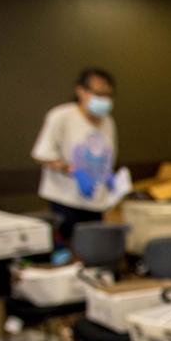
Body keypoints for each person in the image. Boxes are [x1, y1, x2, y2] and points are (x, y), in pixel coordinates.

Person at [31, 67, 118, 243]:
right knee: (71, 250)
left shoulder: (108, 121)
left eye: (108, 95)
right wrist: (72, 170)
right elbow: (41, 154)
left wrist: (109, 178)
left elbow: (109, 157)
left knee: (94, 249)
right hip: (65, 201)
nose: (104, 100)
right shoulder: (61, 116)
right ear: (81, 91)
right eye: (99, 94)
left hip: (96, 202)